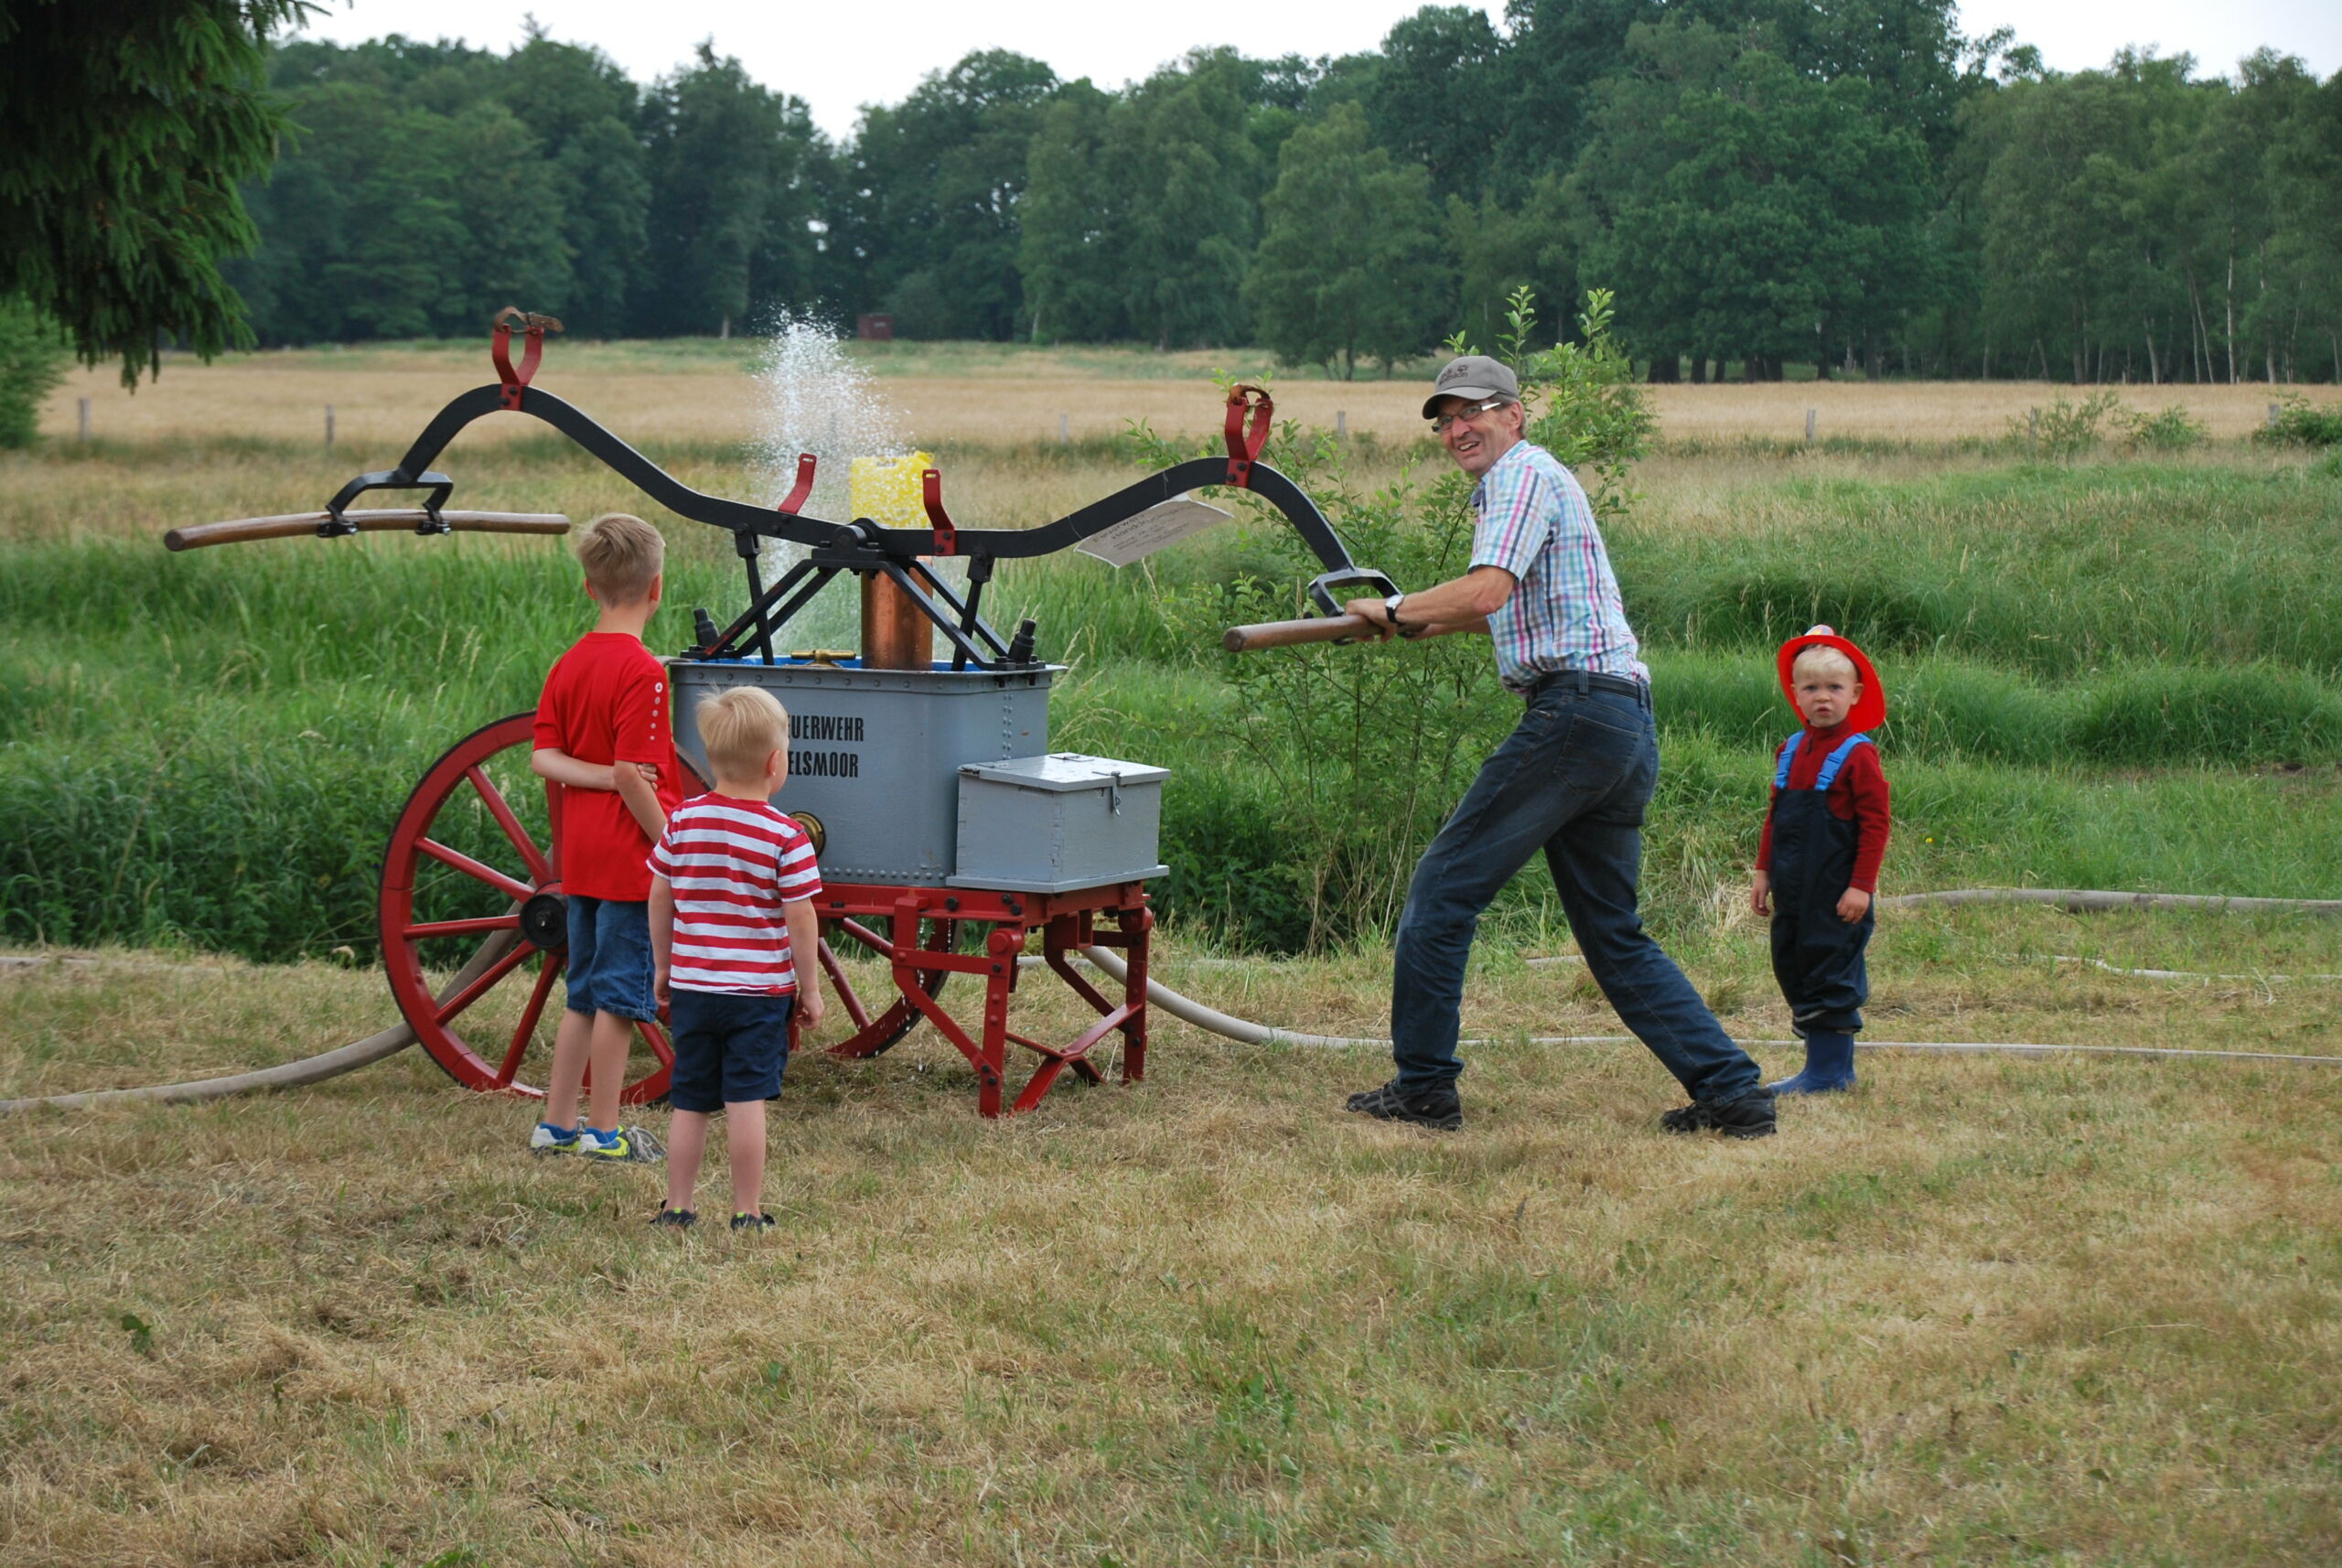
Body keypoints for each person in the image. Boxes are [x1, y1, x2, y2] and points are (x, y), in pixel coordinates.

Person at [1340, 354, 1775, 1137]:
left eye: (1472, 412)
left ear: (1514, 414)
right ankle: (1733, 1093)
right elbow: (1516, 608)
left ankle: (1424, 1089)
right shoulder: (1540, 480)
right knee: (1612, 932)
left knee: (1442, 892)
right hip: (1619, 721)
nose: (1457, 430)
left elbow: (1486, 591)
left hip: (1574, 715)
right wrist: (1416, 622)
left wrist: (1397, 608)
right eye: (1445, 420)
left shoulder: (1519, 477)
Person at [529, 512, 683, 1162]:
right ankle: (604, 1133)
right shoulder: (644, 672)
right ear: (657, 588)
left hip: (583, 859)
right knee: (620, 999)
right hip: (629, 862)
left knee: (584, 993)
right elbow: (630, 774)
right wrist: (675, 847)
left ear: (589, 587)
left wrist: (597, 775)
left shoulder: (569, 664)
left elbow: (543, 759)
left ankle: (555, 1124)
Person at [645, 686, 824, 1231]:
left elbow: (660, 895)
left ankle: (678, 1207)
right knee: (746, 1101)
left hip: (694, 990)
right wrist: (811, 989)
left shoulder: (682, 821)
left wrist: (663, 966)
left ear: (711, 757)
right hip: (758, 996)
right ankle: (746, 1211)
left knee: (690, 1099)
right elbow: (801, 918)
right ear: (775, 763)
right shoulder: (786, 836)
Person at [1751, 627, 1891, 1094]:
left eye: (1835, 687)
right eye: (1811, 688)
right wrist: (1763, 872)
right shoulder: (1790, 750)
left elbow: (1876, 826)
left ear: (1856, 694)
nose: (1823, 698)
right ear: (1795, 694)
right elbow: (1776, 816)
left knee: (1831, 968)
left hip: (1836, 891)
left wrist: (1861, 887)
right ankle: (1832, 1072)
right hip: (1793, 887)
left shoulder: (1859, 754)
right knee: (1794, 960)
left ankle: (1827, 1073)